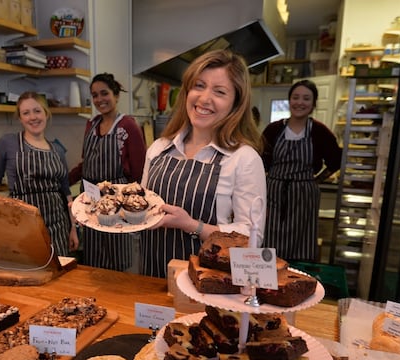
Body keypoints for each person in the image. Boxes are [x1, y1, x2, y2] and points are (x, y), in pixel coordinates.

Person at [139, 49, 266, 278]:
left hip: (209, 288)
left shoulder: (243, 159)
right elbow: (141, 214)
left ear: (236, 103)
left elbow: (251, 240)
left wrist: (192, 225)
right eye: (198, 86)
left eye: (219, 91)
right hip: (151, 279)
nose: (204, 98)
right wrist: (99, 211)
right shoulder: (159, 148)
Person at [0, 91, 78, 258]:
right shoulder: (8, 143)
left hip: (58, 226)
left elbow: (66, 192)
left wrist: (73, 228)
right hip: (22, 225)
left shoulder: (58, 149)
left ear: (46, 114)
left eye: (37, 111)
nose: (33, 117)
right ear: (20, 118)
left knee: (59, 275)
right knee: (29, 274)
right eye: (26, 113)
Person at [69, 73, 147, 272]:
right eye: (95, 95)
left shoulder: (128, 126)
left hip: (117, 203)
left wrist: (133, 207)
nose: (99, 99)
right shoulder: (91, 124)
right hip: (91, 201)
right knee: (94, 260)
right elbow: (86, 164)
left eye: (104, 93)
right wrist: (63, 179)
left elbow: (139, 171)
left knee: (118, 261)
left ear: (116, 95)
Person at [260, 79, 341, 262]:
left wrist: (317, 180)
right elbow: (260, 161)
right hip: (273, 193)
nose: (300, 102)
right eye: (295, 97)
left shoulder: (320, 132)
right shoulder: (273, 130)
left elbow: (336, 161)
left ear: (313, 105)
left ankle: (299, 278)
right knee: (269, 237)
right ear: (289, 101)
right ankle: (267, 279)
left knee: (301, 240)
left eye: (306, 98)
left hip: (304, 195)